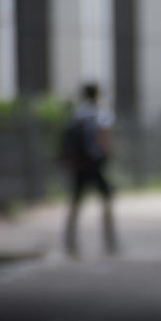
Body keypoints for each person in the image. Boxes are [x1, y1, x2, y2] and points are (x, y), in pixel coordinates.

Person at [61, 83, 118, 256]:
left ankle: (70, 240)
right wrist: (107, 153)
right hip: (95, 163)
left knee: (76, 202)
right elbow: (104, 136)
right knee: (107, 199)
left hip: (79, 165)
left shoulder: (76, 114)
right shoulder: (101, 114)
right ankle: (110, 239)